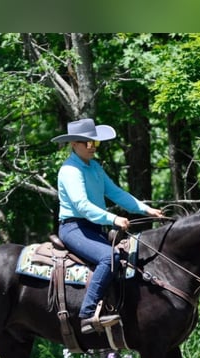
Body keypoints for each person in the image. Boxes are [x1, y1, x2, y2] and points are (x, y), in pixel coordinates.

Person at [52, 118, 163, 334]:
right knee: (108, 257)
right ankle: (87, 314)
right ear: (74, 144)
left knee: (126, 257)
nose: (92, 146)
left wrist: (146, 209)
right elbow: (82, 206)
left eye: (95, 143)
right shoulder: (70, 170)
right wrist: (113, 219)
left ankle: (117, 311)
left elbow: (116, 193)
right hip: (74, 228)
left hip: (93, 228)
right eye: (87, 143)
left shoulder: (94, 167)